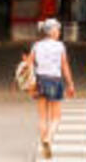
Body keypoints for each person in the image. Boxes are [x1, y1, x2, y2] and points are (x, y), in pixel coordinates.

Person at [29, 18, 75, 158]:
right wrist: (70, 84)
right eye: (58, 29)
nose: (59, 32)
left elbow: (30, 64)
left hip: (40, 80)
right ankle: (49, 138)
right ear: (53, 31)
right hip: (55, 80)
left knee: (43, 117)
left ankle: (44, 143)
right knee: (56, 116)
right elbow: (64, 66)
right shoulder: (60, 46)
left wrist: (31, 82)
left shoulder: (36, 46)